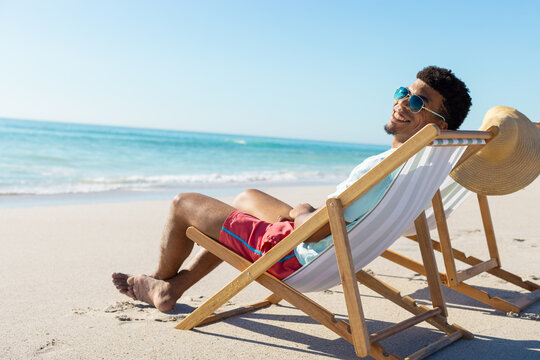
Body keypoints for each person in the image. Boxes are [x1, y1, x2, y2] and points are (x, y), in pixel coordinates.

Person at [112, 66, 472, 312]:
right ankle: (176, 287)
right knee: (246, 199)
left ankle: (159, 281)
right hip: (329, 247)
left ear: (440, 124)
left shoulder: (384, 170)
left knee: (182, 203)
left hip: (295, 257)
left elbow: (313, 234)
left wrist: (301, 213)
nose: (400, 103)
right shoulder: (419, 168)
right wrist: (304, 213)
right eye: (402, 93)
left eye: (416, 103)